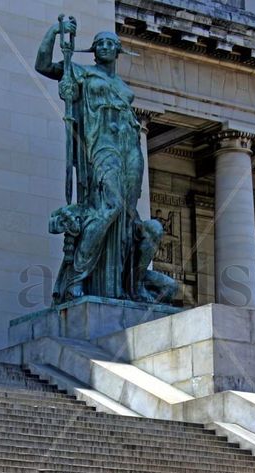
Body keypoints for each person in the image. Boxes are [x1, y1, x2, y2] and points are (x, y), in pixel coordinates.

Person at [35, 19, 177, 304]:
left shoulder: (123, 88)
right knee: (109, 206)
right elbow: (43, 65)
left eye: (110, 43)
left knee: (131, 216)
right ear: (94, 51)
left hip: (130, 148)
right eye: (99, 44)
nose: (105, 47)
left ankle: (134, 286)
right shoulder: (83, 73)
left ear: (118, 51)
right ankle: (77, 279)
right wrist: (54, 32)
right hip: (101, 144)